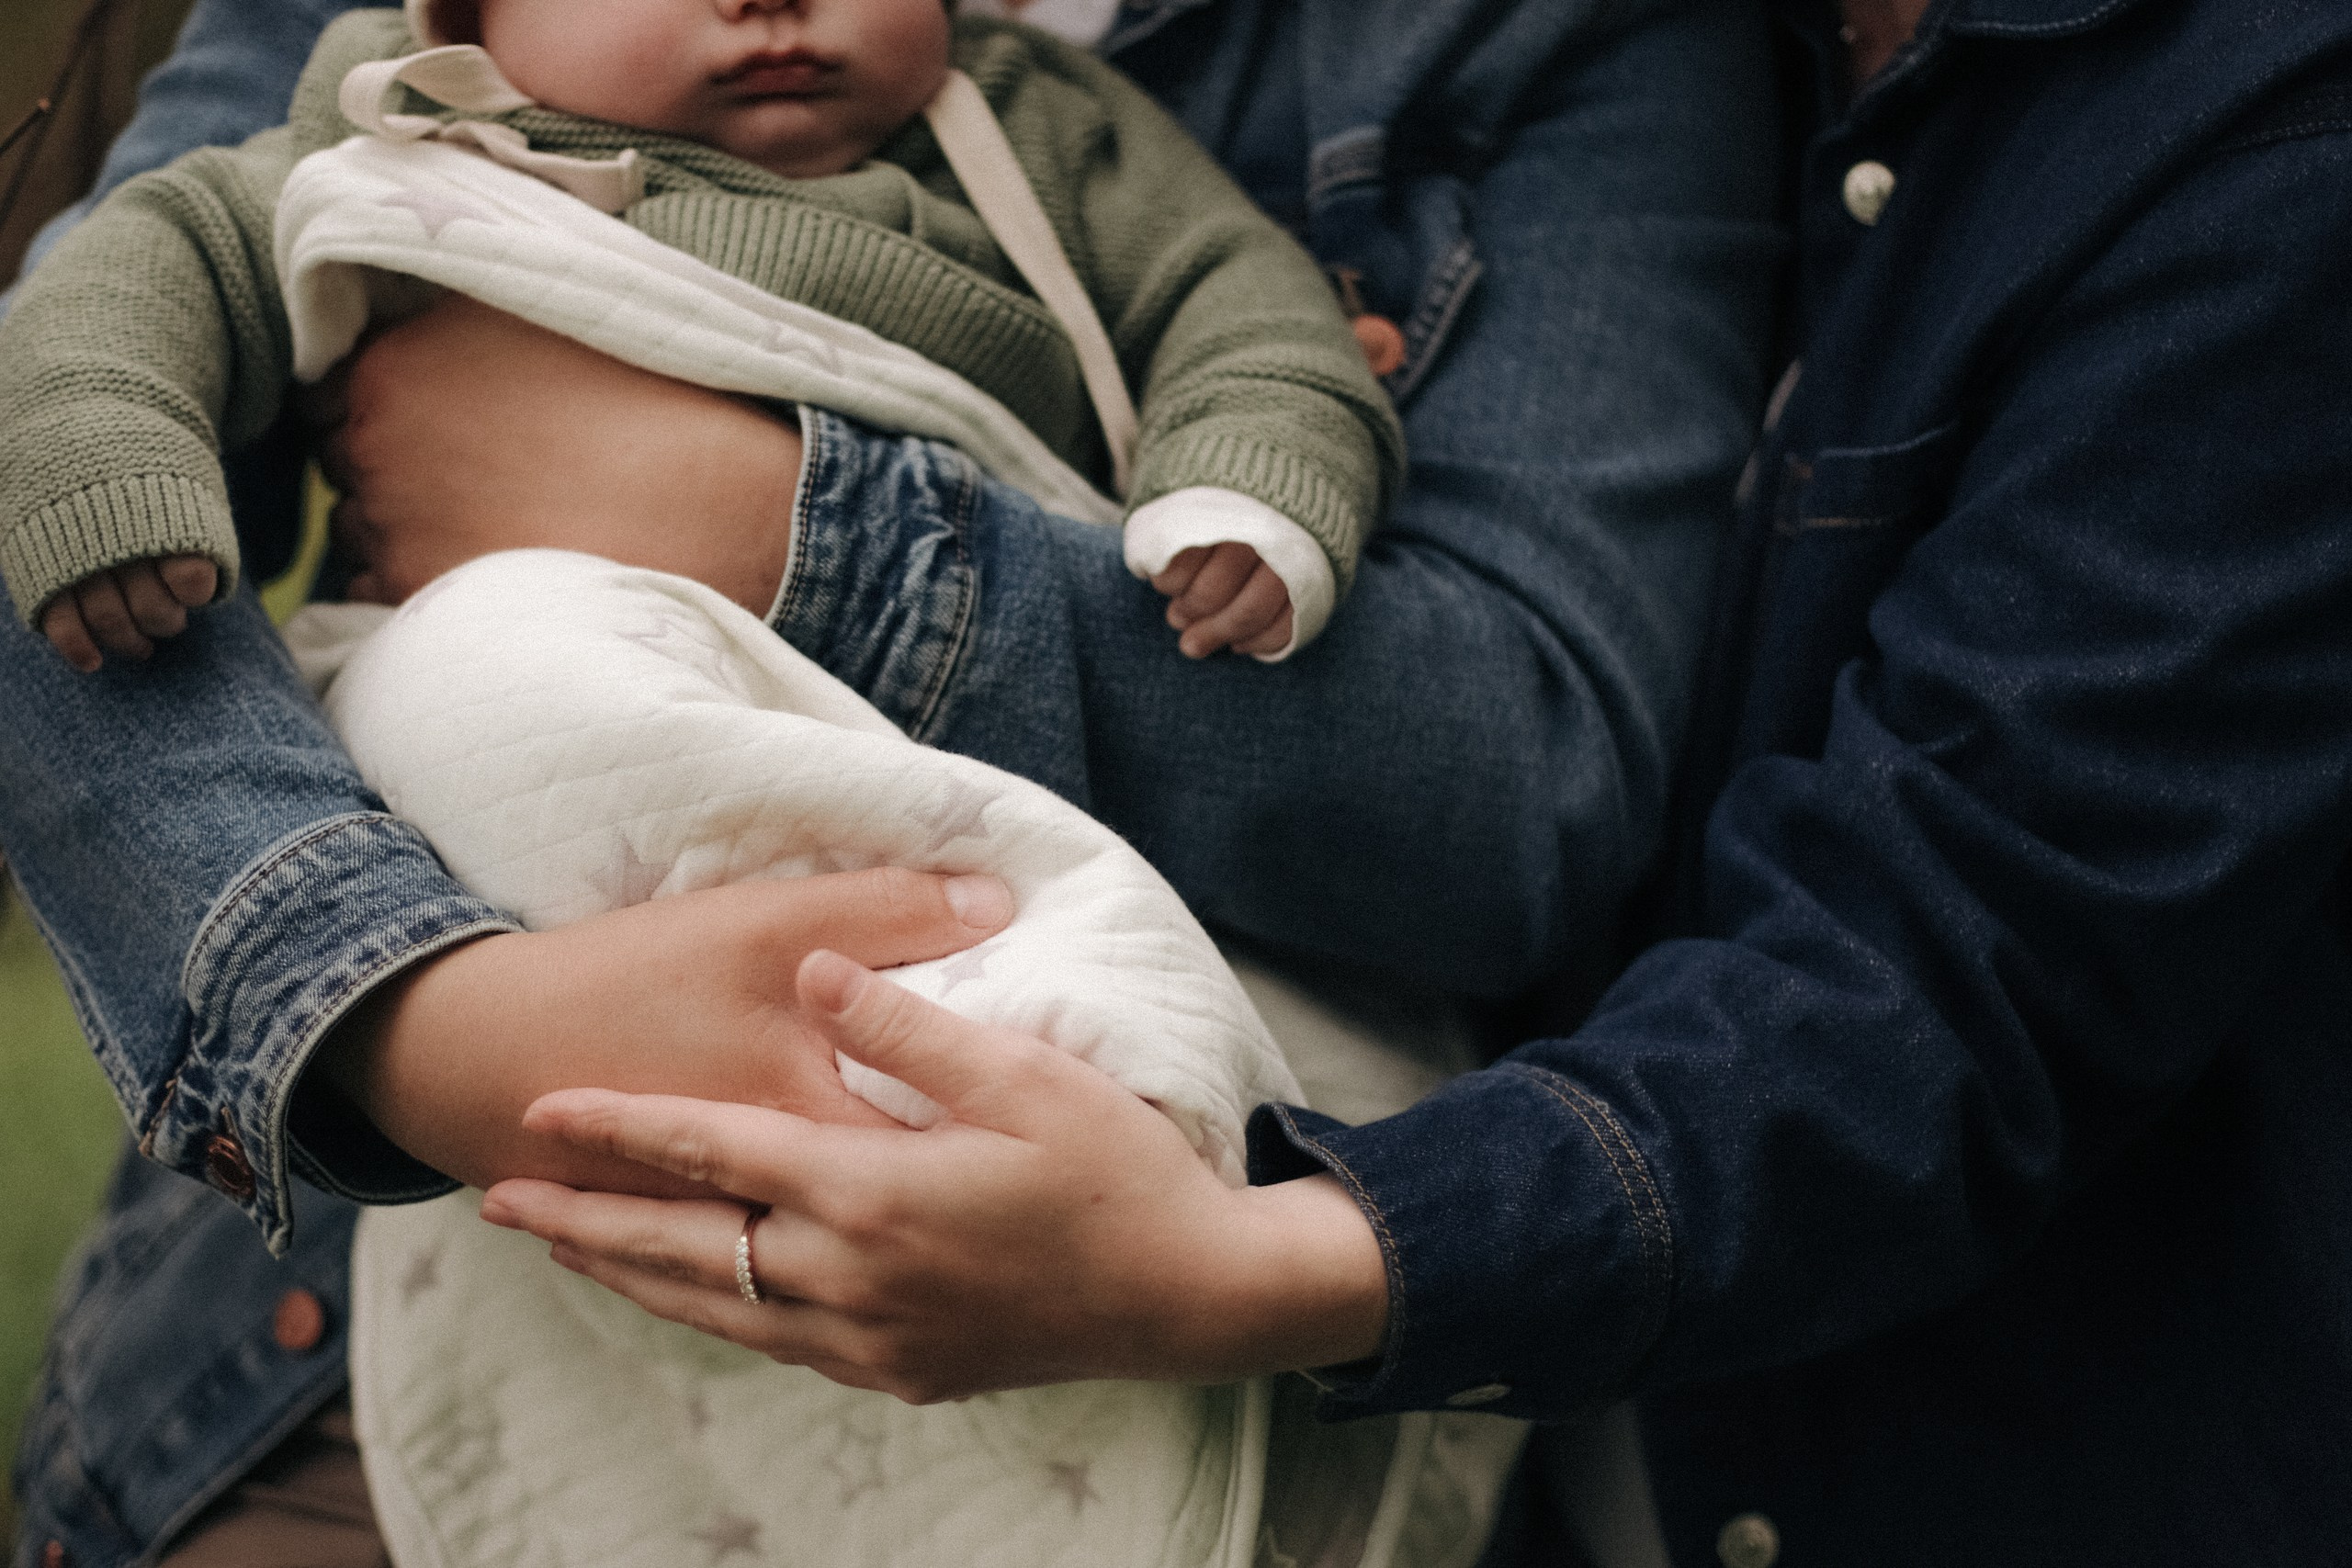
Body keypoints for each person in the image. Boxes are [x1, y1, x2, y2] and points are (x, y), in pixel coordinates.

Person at [470, 0, 2352, 1562]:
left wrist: (1260, 1260)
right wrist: (417, 1023)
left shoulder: (2261, 123)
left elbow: (1947, 952)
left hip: (1955, 1450)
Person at [4, 0, 1778, 1563]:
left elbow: (1247, 328)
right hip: (354, 1248)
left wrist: (1225, 483)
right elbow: (109, 328)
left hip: (1022, 1000)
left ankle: (1075, 1075)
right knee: (477, 682)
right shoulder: (386, 119)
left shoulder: (1041, 127)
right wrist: (432, 1024)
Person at [6, 0, 1401, 671]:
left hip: (968, 739)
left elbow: (1240, 300)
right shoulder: (428, 140)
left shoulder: (1033, 131)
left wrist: (1249, 477)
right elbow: (156, 261)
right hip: (514, 712)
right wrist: (104, 452)